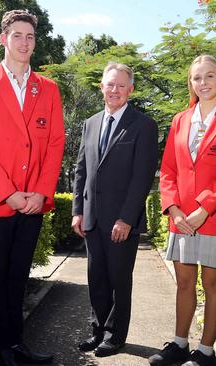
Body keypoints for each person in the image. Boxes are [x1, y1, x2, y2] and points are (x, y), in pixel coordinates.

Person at [0, 9, 65, 366]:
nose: (25, 43)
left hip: (34, 202)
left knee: (19, 276)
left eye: (30, 37)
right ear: (3, 39)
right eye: (18, 35)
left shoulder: (48, 89)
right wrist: (9, 193)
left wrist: (40, 192)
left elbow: (55, 144)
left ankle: (17, 344)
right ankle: (0, 351)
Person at [148, 55, 216, 366]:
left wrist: (203, 209)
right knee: (184, 283)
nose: (202, 83)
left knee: (212, 283)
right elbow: (168, 169)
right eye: (196, 78)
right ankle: (179, 345)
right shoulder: (180, 120)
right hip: (181, 218)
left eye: (208, 76)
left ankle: (205, 353)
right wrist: (174, 209)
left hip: (214, 216)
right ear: (190, 83)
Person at [71, 62, 158, 358]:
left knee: (120, 280)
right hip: (92, 218)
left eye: (121, 85)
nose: (115, 90)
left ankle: (115, 335)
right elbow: (81, 170)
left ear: (131, 90)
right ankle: (97, 331)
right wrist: (77, 211)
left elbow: (142, 176)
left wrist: (127, 218)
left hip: (122, 220)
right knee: (97, 279)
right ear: (101, 87)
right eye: (110, 84)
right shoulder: (90, 123)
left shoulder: (143, 125)